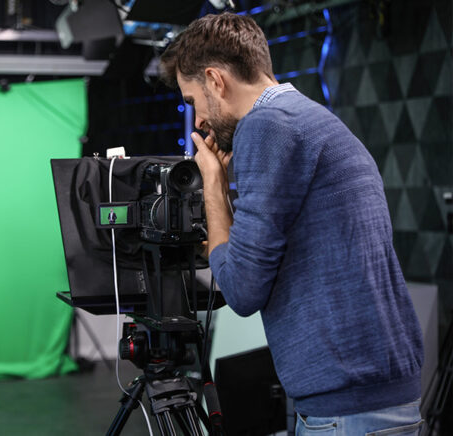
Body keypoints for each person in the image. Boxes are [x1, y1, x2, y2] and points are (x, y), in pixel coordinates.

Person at [160, 13, 424, 435]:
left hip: (347, 408)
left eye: (192, 101)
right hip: (373, 398)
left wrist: (212, 184)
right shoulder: (305, 117)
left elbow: (242, 290)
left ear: (215, 80)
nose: (197, 123)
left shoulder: (266, 128)